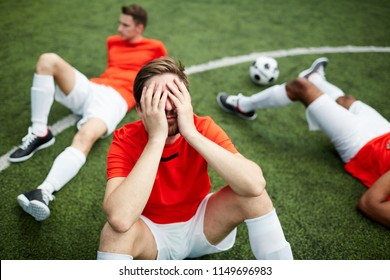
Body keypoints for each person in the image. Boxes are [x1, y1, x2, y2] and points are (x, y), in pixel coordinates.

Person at [97, 57, 293, 260]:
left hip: (203, 224)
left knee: (255, 197)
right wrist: (156, 139)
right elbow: (120, 218)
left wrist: (191, 133)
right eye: (157, 97)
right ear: (140, 108)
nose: (168, 105)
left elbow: (255, 185)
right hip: (150, 236)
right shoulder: (125, 138)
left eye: (174, 94)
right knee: (114, 234)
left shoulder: (201, 127)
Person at [10, 4, 168, 221]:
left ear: (139, 28)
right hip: (94, 88)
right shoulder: (112, 42)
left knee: (85, 137)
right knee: (48, 60)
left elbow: (162, 75)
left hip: (116, 99)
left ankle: (43, 191)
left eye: (125, 25)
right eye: (120, 23)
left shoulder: (155, 47)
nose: (119, 28)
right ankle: (39, 132)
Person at [217, 57, 390, 228]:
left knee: (300, 87)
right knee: (346, 101)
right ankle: (314, 77)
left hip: (363, 148)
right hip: (385, 133)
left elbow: (369, 204)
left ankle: (243, 105)